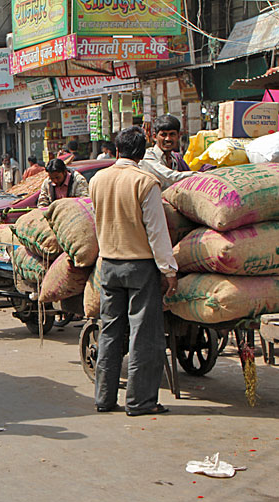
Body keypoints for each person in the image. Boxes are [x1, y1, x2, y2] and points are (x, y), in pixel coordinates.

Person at [88, 126, 177, 416]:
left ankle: (104, 397)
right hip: (140, 267)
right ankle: (140, 401)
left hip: (109, 265)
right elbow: (157, 231)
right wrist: (169, 270)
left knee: (110, 332)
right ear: (142, 154)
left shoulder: (98, 179)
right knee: (144, 336)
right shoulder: (145, 182)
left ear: (116, 151)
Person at [139, 114, 194, 190]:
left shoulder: (175, 159)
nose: (168, 139)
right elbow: (170, 176)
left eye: (172, 134)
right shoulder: (148, 157)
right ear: (155, 137)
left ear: (178, 136)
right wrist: (201, 175)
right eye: (163, 135)